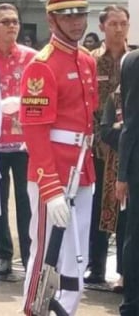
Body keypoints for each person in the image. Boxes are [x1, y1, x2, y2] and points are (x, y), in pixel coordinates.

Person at [20, 0, 97, 315]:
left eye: (80, 13)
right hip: (54, 173)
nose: (77, 21)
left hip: (82, 170)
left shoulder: (86, 61)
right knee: (45, 257)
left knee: (74, 264)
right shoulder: (42, 65)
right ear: (51, 18)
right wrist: (49, 187)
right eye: (68, 14)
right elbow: (36, 131)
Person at [0, 3, 35, 275]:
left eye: (15, 21)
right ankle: (2, 254)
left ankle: (29, 255)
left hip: (25, 143)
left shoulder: (32, 58)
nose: (12, 26)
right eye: (5, 22)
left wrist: (21, 103)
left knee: (26, 201)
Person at [86, 5, 131, 287]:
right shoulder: (90, 60)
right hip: (99, 147)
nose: (118, 29)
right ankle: (96, 267)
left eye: (123, 23)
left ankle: (126, 272)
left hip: (130, 147)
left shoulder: (134, 58)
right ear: (101, 26)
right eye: (113, 23)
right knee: (95, 210)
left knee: (128, 213)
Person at [117, 48, 139, 316]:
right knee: (136, 233)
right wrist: (122, 173)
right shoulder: (135, 61)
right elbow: (131, 120)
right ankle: (132, 303)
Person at [99, 84, 126, 293]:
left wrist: (124, 128)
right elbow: (106, 130)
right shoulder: (115, 98)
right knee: (124, 225)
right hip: (121, 166)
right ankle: (124, 274)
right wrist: (128, 133)